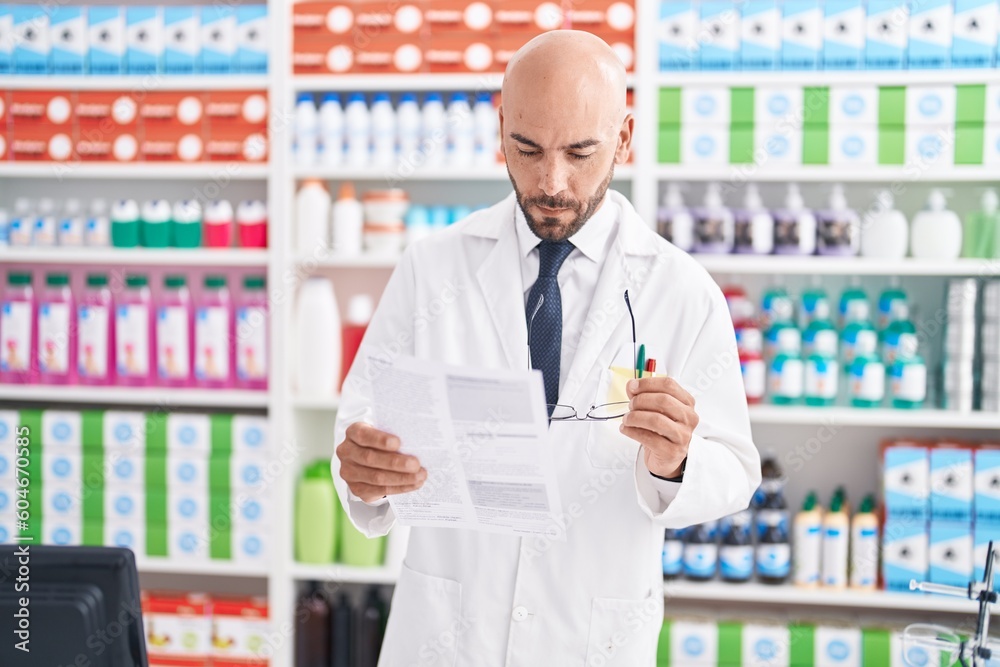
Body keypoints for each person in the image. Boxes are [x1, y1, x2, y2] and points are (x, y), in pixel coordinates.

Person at [332, 30, 760, 666]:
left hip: (588, 635)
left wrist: (676, 461)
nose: (550, 183)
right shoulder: (433, 268)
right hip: (449, 634)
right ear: (501, 127)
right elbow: (360, 425)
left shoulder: (682, 291)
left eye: (580, 153)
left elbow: (735, 469)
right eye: (526, 149)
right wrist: (366, 474)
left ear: (623, 138)